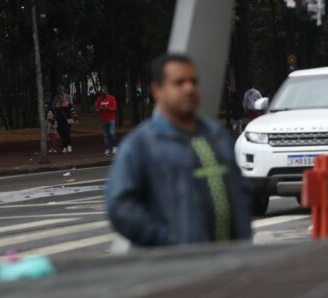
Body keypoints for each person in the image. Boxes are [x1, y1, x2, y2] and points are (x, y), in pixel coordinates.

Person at [105, 54, 251, 246]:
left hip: (230, 263)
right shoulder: (141, 145)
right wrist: (166, 240)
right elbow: (120, 208)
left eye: (193, 81)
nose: (188, 88)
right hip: (175, 268)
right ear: (157, 90)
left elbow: (238, 192)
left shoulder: (217, 136)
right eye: (179, 83)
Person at [94, 88, 119, 156]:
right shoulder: (99, 99)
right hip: (103, 120)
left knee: (111, 133)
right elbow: (96, 109)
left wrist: (107, 107)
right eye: (101, 94)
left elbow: (114, 108)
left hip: (111, 119)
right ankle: (107, 149)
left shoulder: (111, 98)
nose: (103, 95)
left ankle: (115, 147)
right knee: (105, 135)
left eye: (104, 94)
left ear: (106, 92)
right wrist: (100, 108)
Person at [51, 86, 75, 154]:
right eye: (59, 92)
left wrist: (74, 118)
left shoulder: (68, 99)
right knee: (62, 133)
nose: (60, 96)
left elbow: (72, 109)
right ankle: (65, 146)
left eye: (61, 91)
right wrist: (54, 120)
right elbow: (54, 110)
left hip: (67, 119)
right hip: (59, 120)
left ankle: (68, 145)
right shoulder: (57, 101)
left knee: (66, 132)